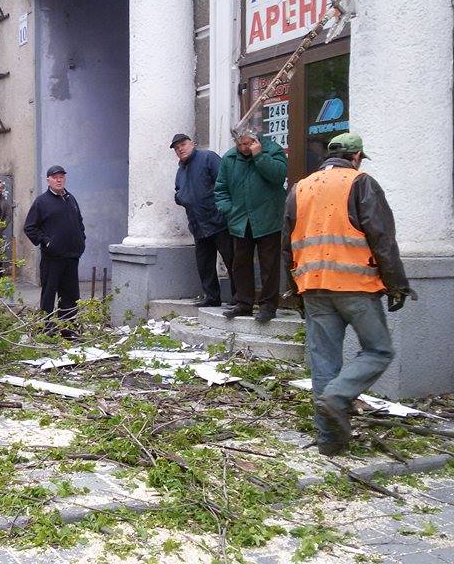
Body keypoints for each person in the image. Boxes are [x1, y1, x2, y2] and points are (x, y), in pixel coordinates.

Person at [282, 132, 415, 456]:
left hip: (313, 285)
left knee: (324, 363)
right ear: (355, 157)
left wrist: (295, 292)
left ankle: (330, 442)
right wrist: (396, 284)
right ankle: (339, 396)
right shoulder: (361, 182)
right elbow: (382, 238)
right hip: (355, 287)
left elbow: (286, 245)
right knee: (379, 350)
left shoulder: (300, 188)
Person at [214, 130, 289, 322]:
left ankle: (268, 306)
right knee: (240, 264)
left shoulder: (272, 151)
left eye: (247, 144)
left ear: (256, 140)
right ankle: (243, 304)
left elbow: (278, 176)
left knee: (269, 264)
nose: (243, 148)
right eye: (240, 144)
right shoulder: (230, 158)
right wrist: (227, 209)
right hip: (240, 219)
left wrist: (259, 156)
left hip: (268, 217)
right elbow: (221, 188)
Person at [171, 133, 234, 307]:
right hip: (198, 224)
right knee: (205, 264)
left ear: (192, 143)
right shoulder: (180, 170)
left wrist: (224, 210)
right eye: (176, 148)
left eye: (183, 144)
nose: (180, 149)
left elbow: (225, 182)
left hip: (219, 221)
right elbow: (178, 191)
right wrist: (181, 197)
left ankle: (240, 297)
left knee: (232, 260)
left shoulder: (208, 158)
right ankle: (212, 298)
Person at [23, 165, 86, 334]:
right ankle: (46, 330)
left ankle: (69, 330)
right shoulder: (42, 202)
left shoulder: (70, 199)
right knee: (49, 294)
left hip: (72, 256)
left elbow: (79, 222)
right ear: (48, 180)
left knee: (71, 296)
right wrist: (47, 242)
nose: (59, 180)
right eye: (55, 177)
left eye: (62, 177)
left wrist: (81, 240)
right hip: (53, 258)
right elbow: (30, 227)